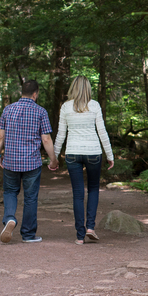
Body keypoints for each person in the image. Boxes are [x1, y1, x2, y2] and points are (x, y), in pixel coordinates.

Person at [49, 76, 114, 245]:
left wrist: (54, 158)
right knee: (93, 189)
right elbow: (102, 132)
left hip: (72, 153)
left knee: (78, 194)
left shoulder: (66, 107)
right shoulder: (94, 105)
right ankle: (90, 227)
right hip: (93, 152)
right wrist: (110, 155)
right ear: (88, 88)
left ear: (73, 88)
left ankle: (80, 235)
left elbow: (61, 134)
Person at [0, 80, 58, 244]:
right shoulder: (40, 112)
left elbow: (1, 135)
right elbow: (46, 139)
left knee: (10, 192)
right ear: (35, 94)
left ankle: (10, 218)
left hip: (10, 161)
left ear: (21, 92)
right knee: (30, 197)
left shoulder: (8, 109)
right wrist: (53, 160)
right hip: (32, 162)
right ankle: (28, 235)